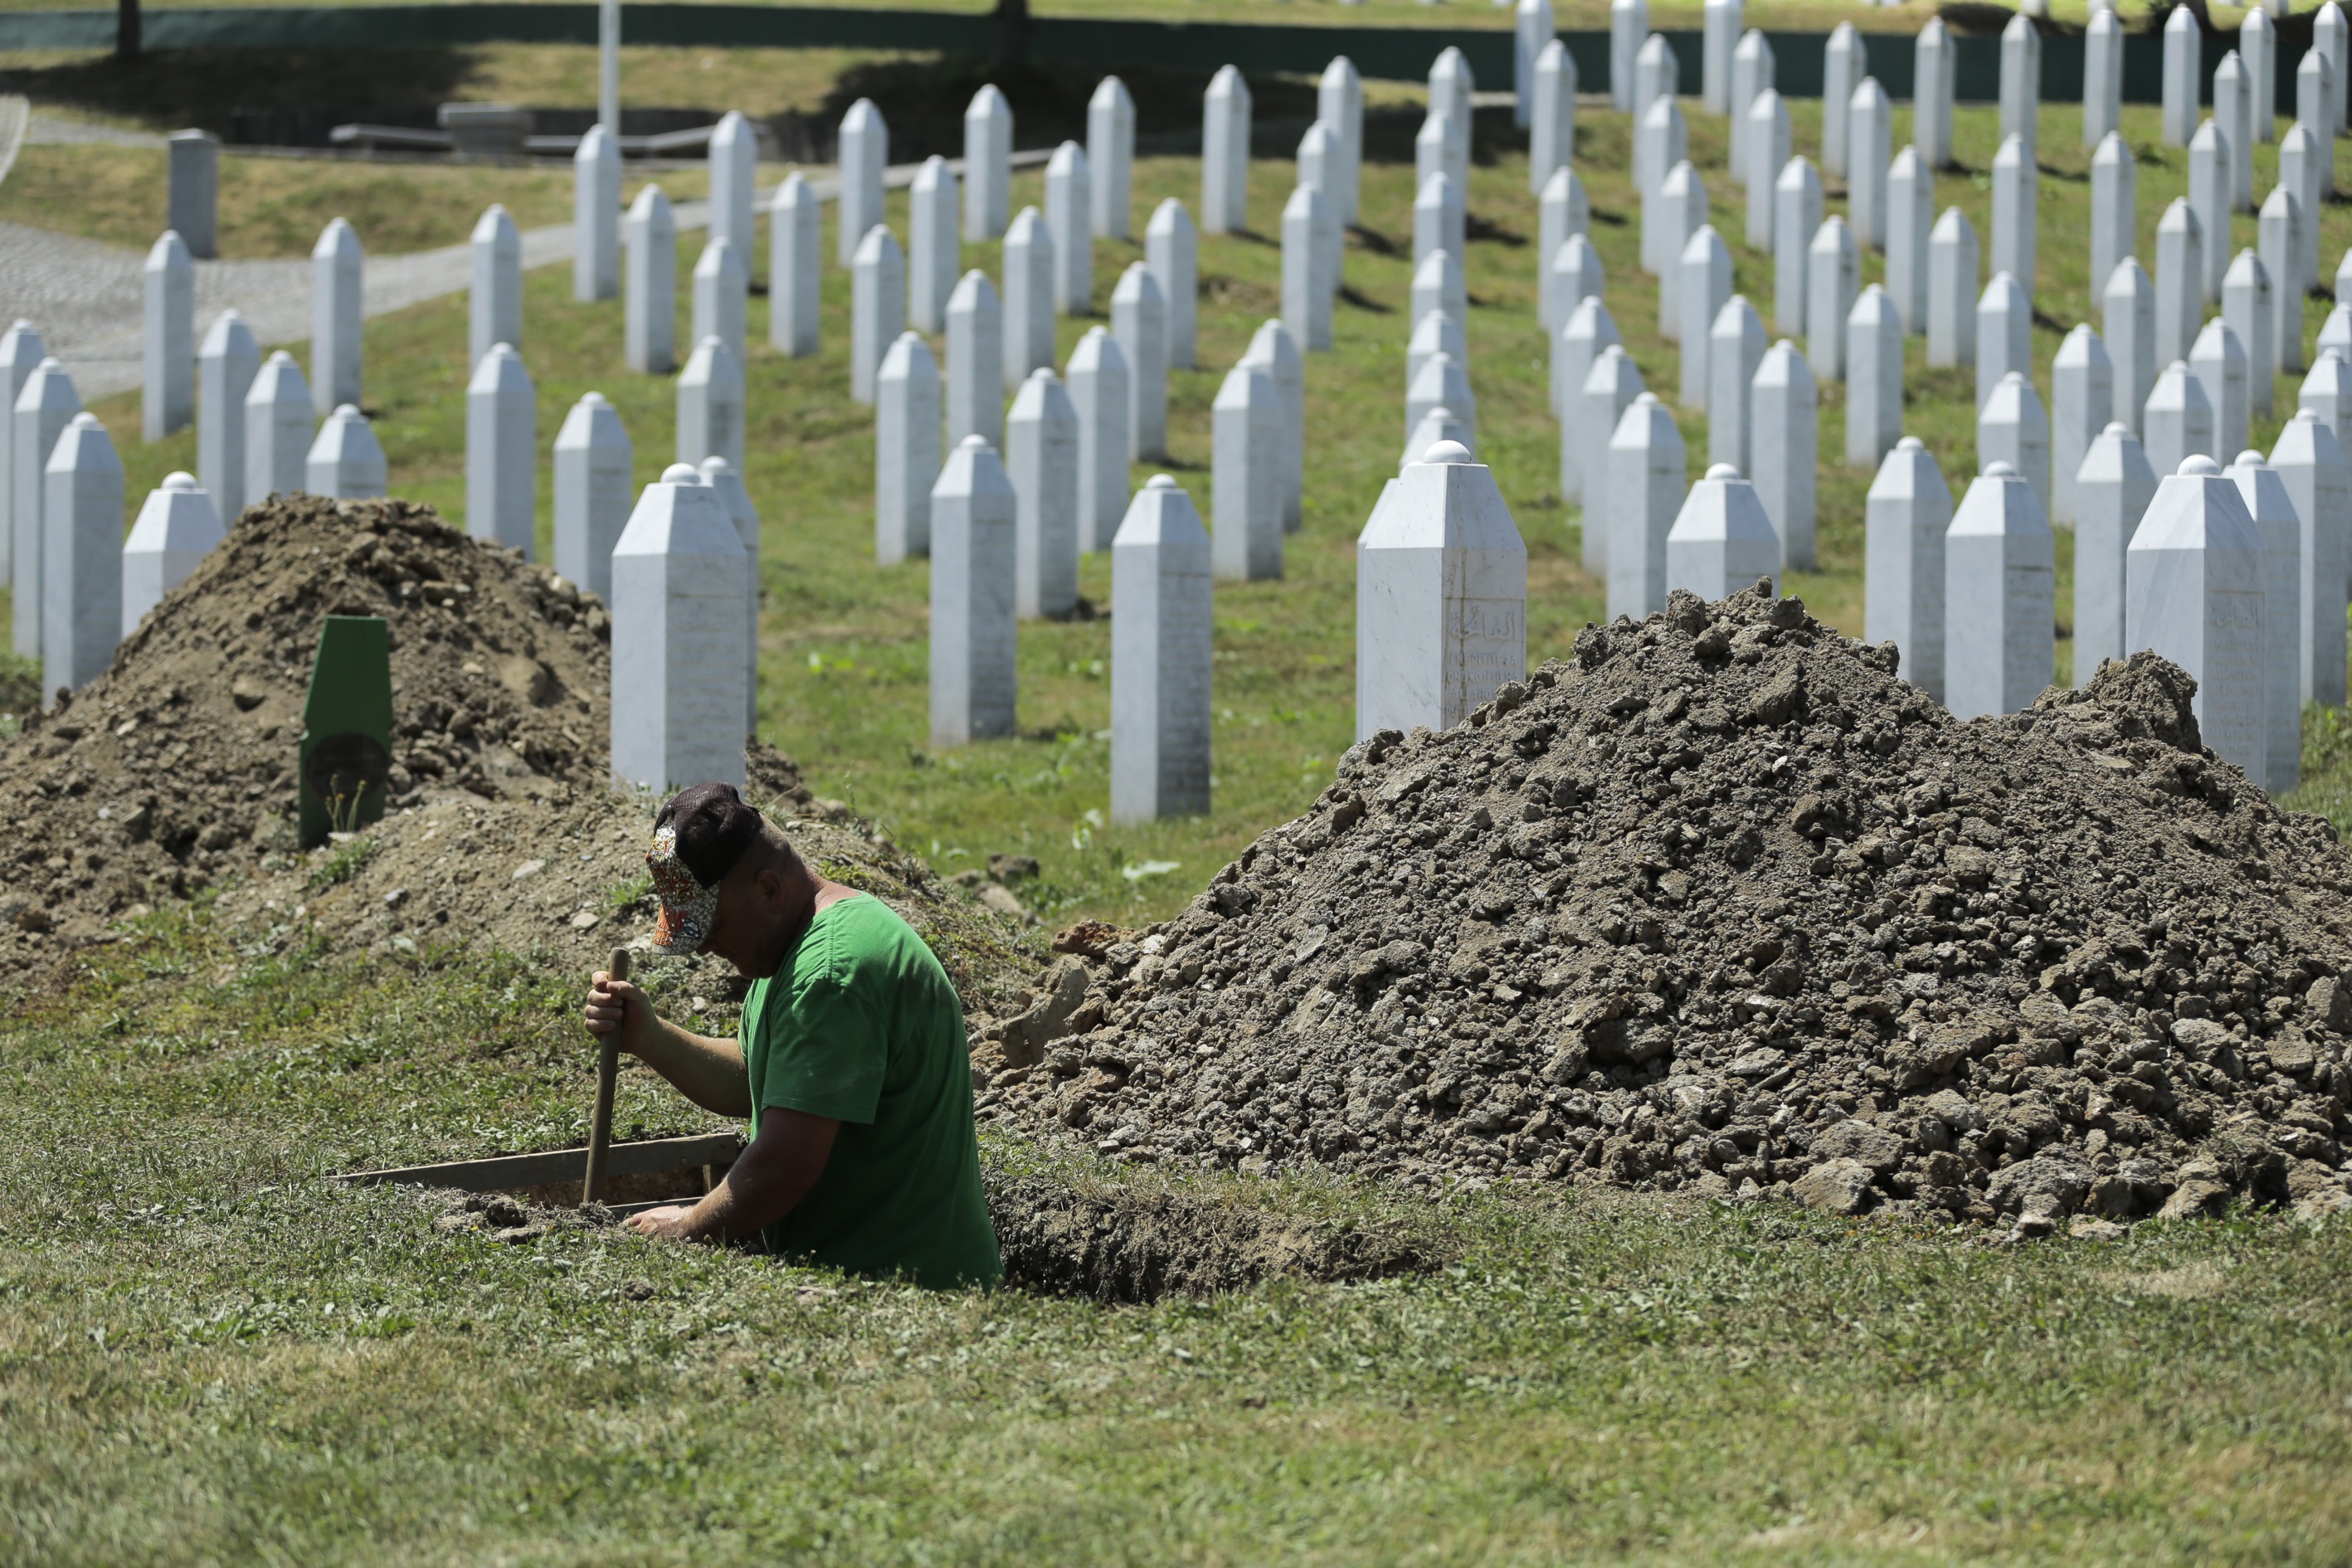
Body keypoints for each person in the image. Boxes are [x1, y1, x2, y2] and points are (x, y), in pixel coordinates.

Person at [581, 782, 1001, 1290]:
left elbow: (785, 1165)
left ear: (769, 889)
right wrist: (650, 1037)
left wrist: (687, 1227)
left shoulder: (830, 972)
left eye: (713, 924)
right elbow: (760, 1080)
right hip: (868, 1277)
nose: (705, 946)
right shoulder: (792, 947)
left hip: (914, 1288)